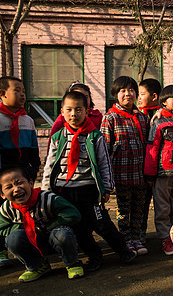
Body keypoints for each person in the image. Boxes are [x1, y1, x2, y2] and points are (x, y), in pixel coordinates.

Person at [42, 91, 136, 271]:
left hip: (89, 190)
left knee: (101, 223)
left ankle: (123, 250)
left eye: (78, 109)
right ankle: (95, 256)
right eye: (69, 110)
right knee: (79, 228)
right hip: (64, 192)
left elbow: (104, 163)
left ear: (87, 111)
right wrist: (47, 190)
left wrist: (107, 188)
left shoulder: (95, 137)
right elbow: (49, 165)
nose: (73, 114)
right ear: (61, 111)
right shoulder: (57, 138)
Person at [0, 165, 83, 282]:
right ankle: (37, 266)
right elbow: (1, 227)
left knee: (63, 234)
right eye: (9, 187)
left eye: (19, 183)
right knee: (13, 239)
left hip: (54, 239)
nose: (16, 189)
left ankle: (72, 263)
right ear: (2, 194)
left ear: (30, 183)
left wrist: (50, 226)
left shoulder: (48, 199)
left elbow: (73, 214)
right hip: (31, 243)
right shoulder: (6, 209)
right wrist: (23, 228)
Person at [100, 76, 149, 255]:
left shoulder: (142, 118)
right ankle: (125, 239)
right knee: (122, 211)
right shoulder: (110, 118)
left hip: (140, 175)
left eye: (131, 90)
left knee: (138, 210)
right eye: (123, 91)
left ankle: (137, 238)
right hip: (121, 176)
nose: (127, 94)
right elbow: (104, 150)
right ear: (115, 94)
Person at [144, 85, 173, 255]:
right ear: (163, 102)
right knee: (162, 207)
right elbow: (152, 148)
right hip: (162, 172)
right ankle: (165, 238)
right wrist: (149, 173)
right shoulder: (158, 122)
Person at [0, 76, 40, 267]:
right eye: (17, 90)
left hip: (24, 174)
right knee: (2, 213)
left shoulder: (28, 120)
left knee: (24, 212)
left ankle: (27, 245)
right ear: (2, 94)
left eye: (23, 90)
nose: (22, 94)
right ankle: (2, 249)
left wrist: (33, 169)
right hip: (3, 176)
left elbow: (33, 148)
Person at [138, 78, 162, 245]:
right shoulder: (137, 114)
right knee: (143, 202)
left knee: (162, 204)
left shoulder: (162, 114)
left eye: (142, 94)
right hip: (143, 166)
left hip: (161, 167)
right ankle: (140, 233)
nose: (138, 97)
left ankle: (166, 235)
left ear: (154, 96)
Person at [47, 81, 103, 153]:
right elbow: (53, 140)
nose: (82, 99)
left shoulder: (97, 117)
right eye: (78, 96)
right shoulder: (63, 118)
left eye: (86, 97)